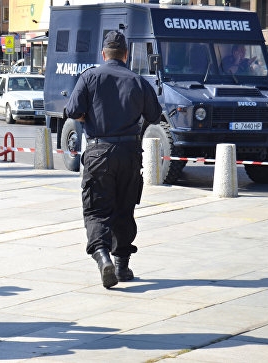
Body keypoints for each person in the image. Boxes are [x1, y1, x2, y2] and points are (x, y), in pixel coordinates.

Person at [65, 31, 161, 288]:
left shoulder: (90, 77)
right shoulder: (138, 80)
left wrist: (90, 119)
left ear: (103, 54)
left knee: (97, 210)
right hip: (130, 153)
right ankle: (122, 266)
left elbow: (72, 111)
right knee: (124, 209)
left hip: (98, 151)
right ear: (126, 55)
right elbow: (154, 114)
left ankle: (102, 256)